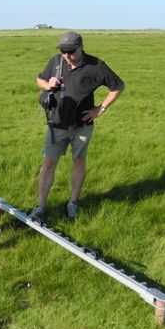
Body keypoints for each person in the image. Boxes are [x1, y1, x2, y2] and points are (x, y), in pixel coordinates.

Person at [32, 31, 125, 220]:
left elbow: (118, 86)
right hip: (56, 124)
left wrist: (100, 109)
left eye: (70, 51)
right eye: (63, 51)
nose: (66, 56)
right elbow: (39, 80)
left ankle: (73, 203)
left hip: (82, 125)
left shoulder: (96, 66)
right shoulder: (56, 61)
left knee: (79, 161)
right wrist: (47, 84)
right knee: (48, 163)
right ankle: (41, 206)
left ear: (81, 47)